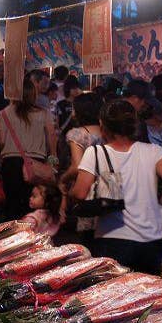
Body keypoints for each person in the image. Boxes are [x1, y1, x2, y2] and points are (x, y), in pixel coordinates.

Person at [71, 100, 162, 273]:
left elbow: (80, 193)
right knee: (147, 294)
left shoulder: (96, 152)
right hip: (151, 240)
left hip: (112, 239)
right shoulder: (154, 150)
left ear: (103, 125)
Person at [0, 79, 57, 220]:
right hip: (36, 165)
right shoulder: (44, 113)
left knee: (12, 204)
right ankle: (32, 235)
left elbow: (1, 141)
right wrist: (53, 159)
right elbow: (52, 137)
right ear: (33, 94)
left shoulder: (4, 113)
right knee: (33, 204)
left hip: (10, 163)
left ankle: (13, 237)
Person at [59, 92, 104, 242]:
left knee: (86, 241)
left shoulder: (77, 134)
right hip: (108, 190)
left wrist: (63, 179)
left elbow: (77, 167)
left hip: (86, 191)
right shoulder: (108, 132)